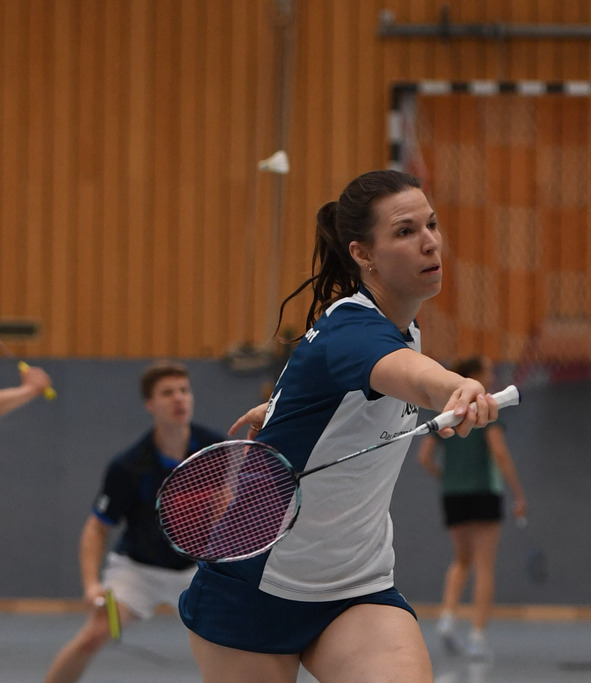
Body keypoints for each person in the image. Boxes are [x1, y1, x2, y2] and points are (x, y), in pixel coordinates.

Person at [179, 169, 501, 683]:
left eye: (431, 225)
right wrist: (452, 387)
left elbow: (342, 387)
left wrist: (279, 411)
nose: (429, 242)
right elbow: (411, 378)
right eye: (405, 231)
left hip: (356, 585)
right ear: (363, 254)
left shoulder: (402, 329)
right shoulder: (351, 329)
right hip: (256, 587)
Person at [43, 361, 224, 683]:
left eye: (184, 390)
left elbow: (230, 509)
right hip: (139, 570)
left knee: (231, 645)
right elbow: (97, 527)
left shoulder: (215, 450)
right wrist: (91, 585)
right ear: (150, 404)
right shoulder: (129, 466)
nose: (179, 399)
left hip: (199, 569)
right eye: (167, 393)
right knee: (92, 636)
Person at [417, 354, 527, 659]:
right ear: (475, 375)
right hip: (483, 492)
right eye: (489, 370)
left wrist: (447, 478)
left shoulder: (450, 410)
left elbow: (424, 457)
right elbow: (499, 452)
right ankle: (477, 636)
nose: (492, 376)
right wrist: (518, 494)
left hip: (453, 494)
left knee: (461, 559)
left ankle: (447, 618)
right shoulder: (489, 407)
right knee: (484, 566)